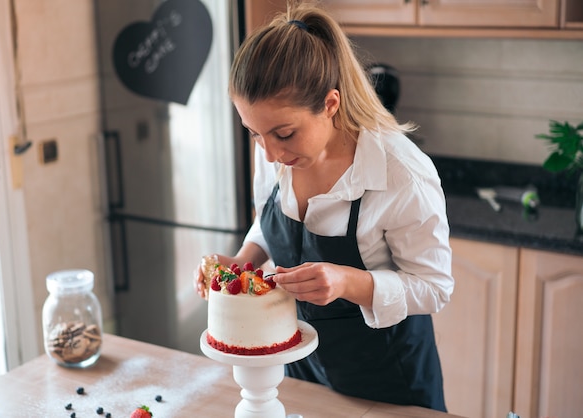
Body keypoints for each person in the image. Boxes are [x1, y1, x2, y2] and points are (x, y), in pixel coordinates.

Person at [194, 0, 453, 412]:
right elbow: (268, 223)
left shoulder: (401, 172)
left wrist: (347, 282)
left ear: (330, 104)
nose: (269, 154)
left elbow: (435, 287)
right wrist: (242, 262)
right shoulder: (278, 156)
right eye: (254, 134)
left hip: (386, 380)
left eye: (284, 133)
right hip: (298, 366)